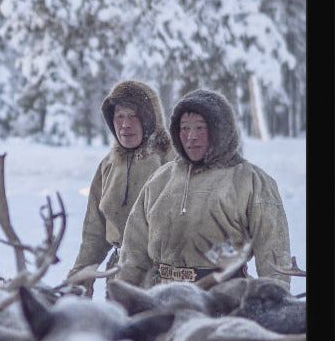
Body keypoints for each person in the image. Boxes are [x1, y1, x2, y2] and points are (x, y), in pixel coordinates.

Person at [118, 88, 291, 289]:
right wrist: (124, 295)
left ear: (220, 130)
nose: (191, 136)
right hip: (162, 297)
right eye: (184, 128)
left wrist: (274, 299)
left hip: (225, 300)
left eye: (200, 128)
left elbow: (274, 255)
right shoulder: (160, 180)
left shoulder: (251, 181)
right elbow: (134, 252)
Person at [66, 80, 174, 295]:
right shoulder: (108, 166)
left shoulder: (172, 162)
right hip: (119, 274)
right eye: (119, 117)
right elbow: (94, 233)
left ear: (149, 119)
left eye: (133, 116)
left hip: (164, 278)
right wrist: (81, 274)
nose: (125, 124)